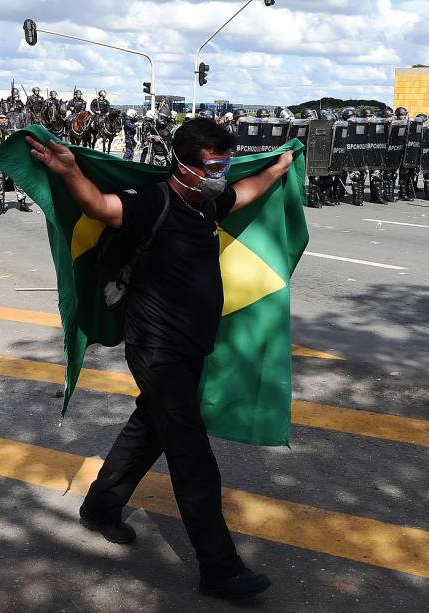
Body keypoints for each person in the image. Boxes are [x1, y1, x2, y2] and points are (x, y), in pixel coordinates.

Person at [25, 117, 292, 600]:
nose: (221, 174)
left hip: (190, 347)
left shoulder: (207, 204)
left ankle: (101, 508)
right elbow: (100, 205)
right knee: (193, 458)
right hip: (156, 348)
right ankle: (220, 569)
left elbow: (248, 192)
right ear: (184, 164)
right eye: (213, 165)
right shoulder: (156, 202)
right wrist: (68, 170)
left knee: (149, 428)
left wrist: (279, 167)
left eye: (226, 164)